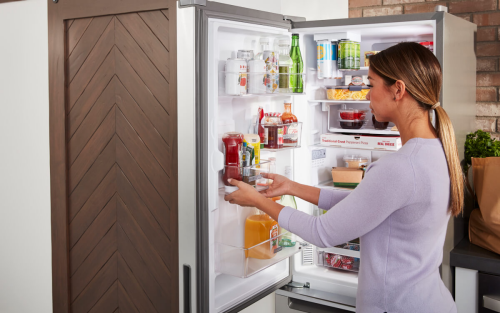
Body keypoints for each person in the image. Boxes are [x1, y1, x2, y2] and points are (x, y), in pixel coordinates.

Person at [224, 42, 463, 313]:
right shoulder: (439, 150)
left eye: (371, 86)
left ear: (398, 90)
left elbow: (322, 232)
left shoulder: (400, 167)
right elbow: (365, 204)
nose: (366, 96)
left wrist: (257, 200)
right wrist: (292, 187)